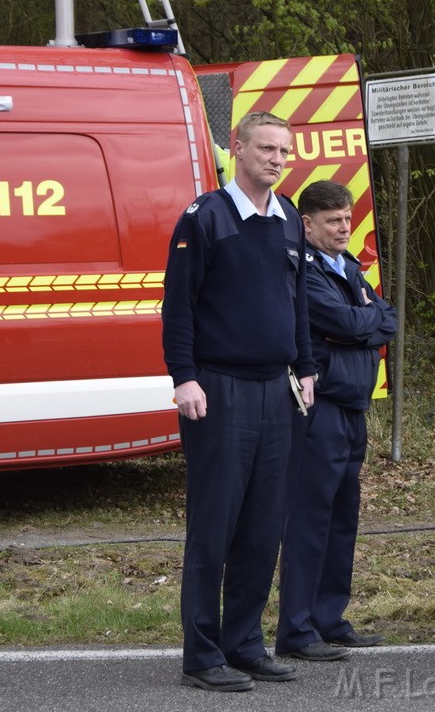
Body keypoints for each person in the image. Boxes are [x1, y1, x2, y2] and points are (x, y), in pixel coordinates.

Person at [162, 110, 317, 692]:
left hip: (276, 391)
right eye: (267, 148)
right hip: (217, 389)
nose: (277, 159)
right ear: (238, 147)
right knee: (215, 525)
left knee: (261, 525)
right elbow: (177, 306)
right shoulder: (205, 218)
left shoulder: (289, 221)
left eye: (284, 151)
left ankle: (245, 643)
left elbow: (297, 302)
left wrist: (305, 367)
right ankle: (202, 655)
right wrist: (184, 376)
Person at [276, 180, 398, 661]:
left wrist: (365, 321)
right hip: (318, 409)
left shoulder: (348, 267)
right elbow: (350, 324)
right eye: (333, 220)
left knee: (342, 519)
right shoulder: (302, 271)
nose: (344, 227)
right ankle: (297, 629)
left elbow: (389, 319)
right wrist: (365, 321)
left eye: (347, 219)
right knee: (309, 520)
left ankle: (330, 618)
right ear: (307, 224)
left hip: (352, 409)